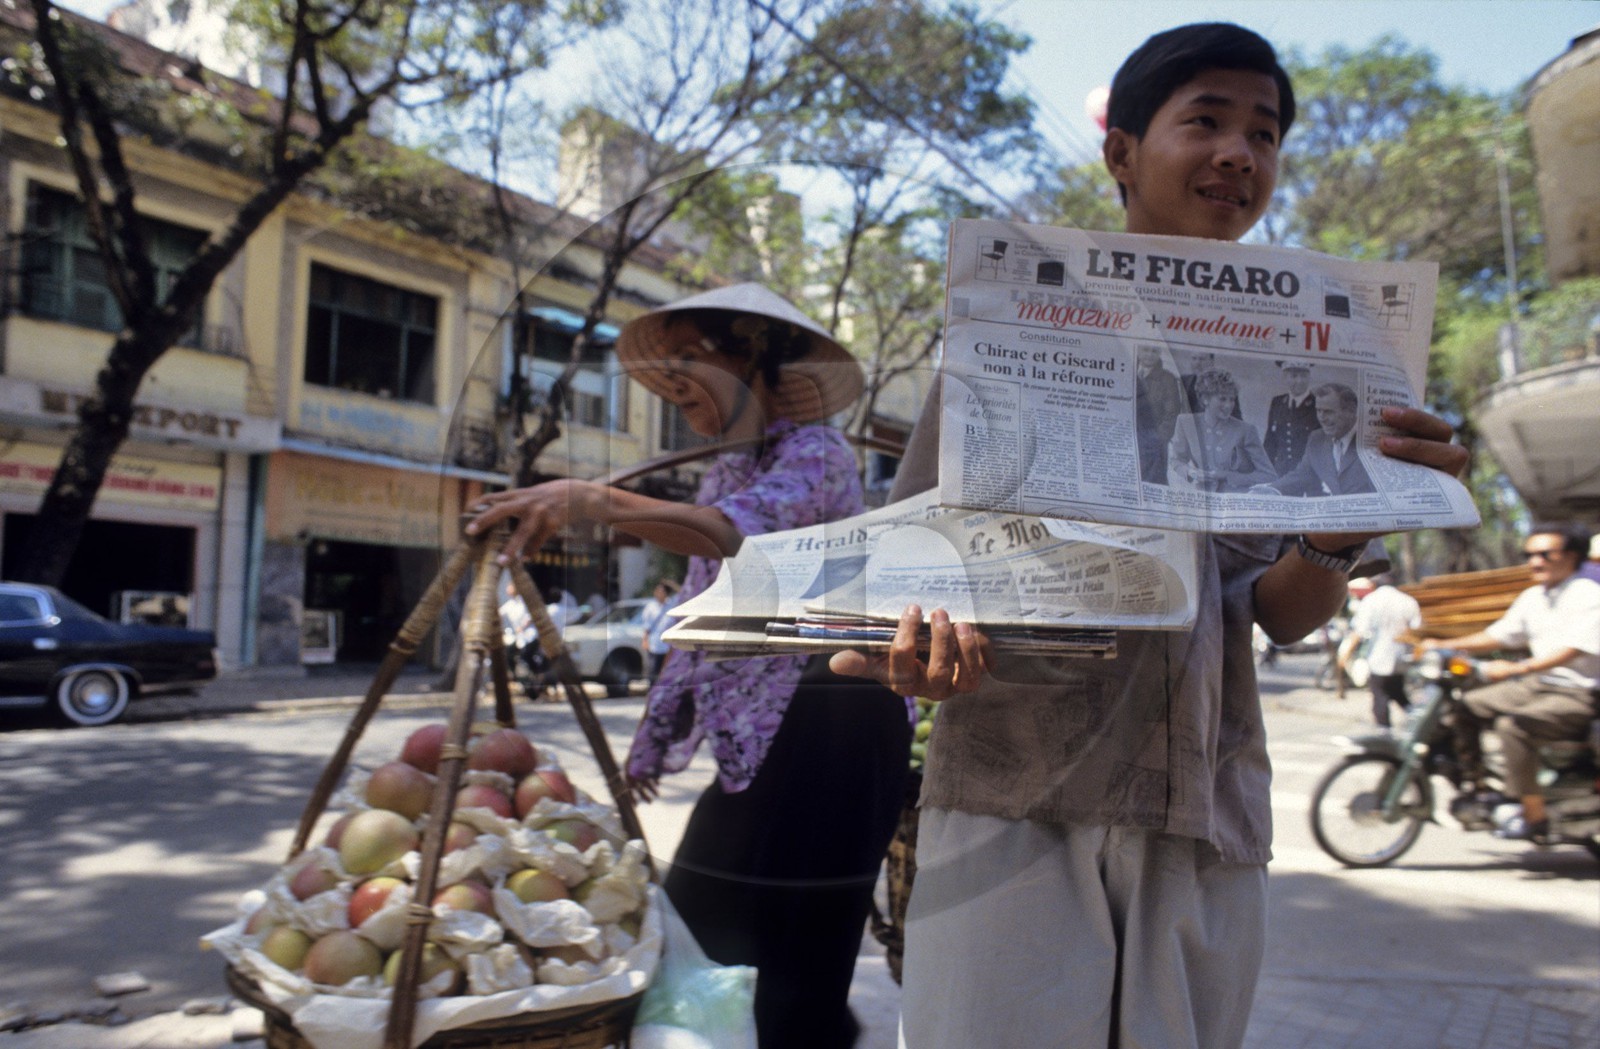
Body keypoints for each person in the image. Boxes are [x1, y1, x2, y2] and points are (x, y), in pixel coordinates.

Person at [831, 24, 1469, 1049]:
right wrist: (919, 656)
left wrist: (1338, 533)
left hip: (1206, 807)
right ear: (1121, 152)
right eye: (1205, 121)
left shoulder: (1320, 354)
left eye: (1263, 133)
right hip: (1011, 792)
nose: (1239, 153)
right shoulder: (1007, 330)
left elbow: (1281, 616)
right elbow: (918, 571)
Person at [466, 283, 909, 1049]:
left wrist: (595, 500)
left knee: (799, 957)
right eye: (667, 369)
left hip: (840, 720)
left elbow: (736, 536)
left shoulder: (818, 455)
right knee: (700, 922)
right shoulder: (724, 470)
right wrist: (656, 733)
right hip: (771, 731)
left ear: (750, 355)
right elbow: (700, 611)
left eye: (692, 360)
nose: (676, 384)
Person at [1420, 523, 1600, 841]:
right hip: (1536, 684)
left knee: (1513, 727)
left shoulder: (1588, 595)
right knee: (1466, 706)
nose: (1535, 562)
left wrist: (1518, 668)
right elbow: (1499, 635)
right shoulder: (1534, 596)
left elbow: (1574, 649)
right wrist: (1445, 644)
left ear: (1572, 556)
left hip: (1577, 692)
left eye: (1545, 554)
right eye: (1529, 554)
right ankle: (1479, 786)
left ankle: (1532, 814)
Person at [1253, 382, 1376, 497]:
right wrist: (1272, 489)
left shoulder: (1374, 440)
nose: (1321, 418)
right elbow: (1302, 474)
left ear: (1351, 411)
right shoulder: (1317, 438)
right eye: (1319, 411)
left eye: (1328, 412)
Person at [1167, 367, 1277, 492]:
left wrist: (1228, 476)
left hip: (1235, 497)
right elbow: (1177, 460)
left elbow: (1269, 475)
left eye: (1232, 399)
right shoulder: (1185, 423)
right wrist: (1192, 473)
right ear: (1205, 399)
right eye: (1222, 399)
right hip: (1203, 495)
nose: (1229, 405)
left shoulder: (1246, 430)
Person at [1340, 573, 1421, 728]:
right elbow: (1417, 630)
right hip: (1401, 657)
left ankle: (1384, 731)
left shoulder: (1371, 601)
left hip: (1379, 657)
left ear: (1374, 585)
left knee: (1380, 696)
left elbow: (1359, 631)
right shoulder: (1408, 601)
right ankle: (1418, 719)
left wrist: (1346, 654)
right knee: (1397, 691)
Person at [1134, 343, 1183, 484]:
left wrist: (1158, 437)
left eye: (1154, 351)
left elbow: (1172, 413)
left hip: (1154, 442)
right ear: (1138, 350)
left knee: (1153, 480)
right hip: (1129, 438)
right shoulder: (1126, 371)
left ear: (1159, 353)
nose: (1149, 354)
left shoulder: (1168, 379)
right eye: (1146, 349)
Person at [1262, 360, 1319, 474]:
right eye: (1294, 376)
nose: (1299, 381)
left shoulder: (1318, 404)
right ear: (1285, 378)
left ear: (1309, 377)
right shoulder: (1277, 403)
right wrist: (1266, 470)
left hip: (1308, 474)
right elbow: (1270, 442)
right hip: (1280, 472)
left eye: (1303, 376)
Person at [639, 579, 679, 678]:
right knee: (653, 672)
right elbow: (646, 626)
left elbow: (683, 593)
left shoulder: (671, 604)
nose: (658, 593)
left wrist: (671, 584)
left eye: (661, 591)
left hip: (668, 646)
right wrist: (645, 640)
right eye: (657, 590)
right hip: (654, 644)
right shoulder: (650, 606)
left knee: (666, 673)